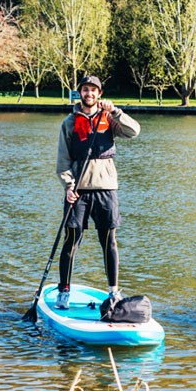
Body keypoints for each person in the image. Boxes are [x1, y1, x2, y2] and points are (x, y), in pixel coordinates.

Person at [54, 75, 140, 309]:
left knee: (109, 240)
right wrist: (69, 187)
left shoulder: (109, 118)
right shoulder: (69, 123)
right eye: (85, 90)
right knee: (71, 240)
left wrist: (116, 112)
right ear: (80, 93)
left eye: (93, 90)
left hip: (106, 188)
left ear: (99, 94)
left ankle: (113, 292)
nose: (89, 94)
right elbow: (62, 163)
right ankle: (64, 291)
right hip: (78, 190)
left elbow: (134, 131)